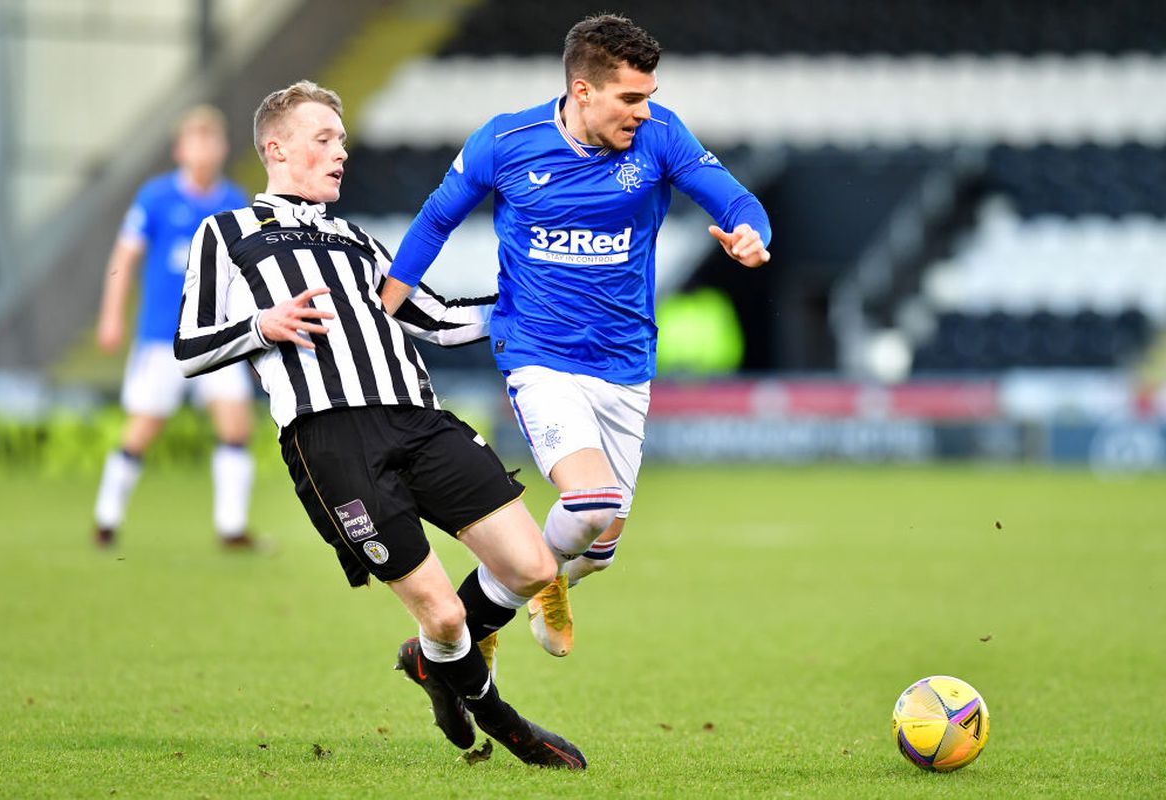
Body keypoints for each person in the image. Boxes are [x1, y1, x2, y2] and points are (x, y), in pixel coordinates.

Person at [174, 80, 585, 769]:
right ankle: (503, 720)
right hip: (331, 440)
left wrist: (536, 307)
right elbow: (188, 345)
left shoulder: (358, 239)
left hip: (418, 421)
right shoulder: (228, 232)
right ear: (275, 148)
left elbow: (440, 318)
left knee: (533, 563)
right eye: (323, 139)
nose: (340, 153)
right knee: (445, 617)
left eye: (342, 140)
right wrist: (259, 325)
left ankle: (433, 667)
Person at [380, 14, 771, 657]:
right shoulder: (506, 142)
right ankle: (493, 610)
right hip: (538, 352)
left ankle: (529, 586)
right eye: (631, 98)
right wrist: (386, 308)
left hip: (625, 361)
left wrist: (754, 237)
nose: (645, 112)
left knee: (599, 549)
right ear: (583, 92)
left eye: (649, 96)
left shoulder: (662, 134)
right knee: (589, 504)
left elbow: (738, 203)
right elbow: (434, 220)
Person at [92, 105, 256, 548]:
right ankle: (106, 519)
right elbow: (124, 258)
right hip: (162, 337)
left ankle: (232, 528)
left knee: (236, 427)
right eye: (196, 139)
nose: (205, 148)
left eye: (212, 139)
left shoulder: (233, 201)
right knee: (144, 426)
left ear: (222, 147)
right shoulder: (156, 197)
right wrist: (111, 317)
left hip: (217, 338)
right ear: (181, 149)